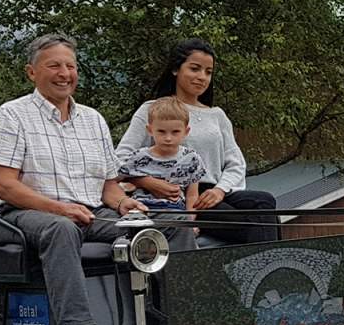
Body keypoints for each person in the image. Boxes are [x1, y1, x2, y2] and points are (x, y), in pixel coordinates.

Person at [0, 33, 147, 325]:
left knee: (151, 229)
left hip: (88, 212)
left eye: (70, 66)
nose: (64, 73)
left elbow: (108, 187)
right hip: (22, 214)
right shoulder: (12, 115)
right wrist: (59, 209)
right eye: (54, 65)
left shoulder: (93, 120)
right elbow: (7, 187)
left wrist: (126, 204)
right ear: (31, 72)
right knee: (62, 228)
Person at [116, 39, 280, 244]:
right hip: (181, 195)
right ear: (176, 69)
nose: (202, 77)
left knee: (265, 201)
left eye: (208, 72)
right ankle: (269, 269)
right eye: (195, 69)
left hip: (216, 191)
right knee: (250, 225)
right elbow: (120, 159)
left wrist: (220, 190)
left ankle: (268, 268)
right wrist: (149, 182)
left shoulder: (217, 115)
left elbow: (236, 163)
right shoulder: (153, 109)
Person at [117, 96, 206, 212]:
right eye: (161, 131)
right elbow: (116, 179)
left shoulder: (192, 159)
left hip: (175, 210)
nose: (168, 138)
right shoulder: (137, 157)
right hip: (141, 208)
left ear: (186, 132)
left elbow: (192, 195)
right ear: (150, 130)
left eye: (175, 132)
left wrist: (191, 221)